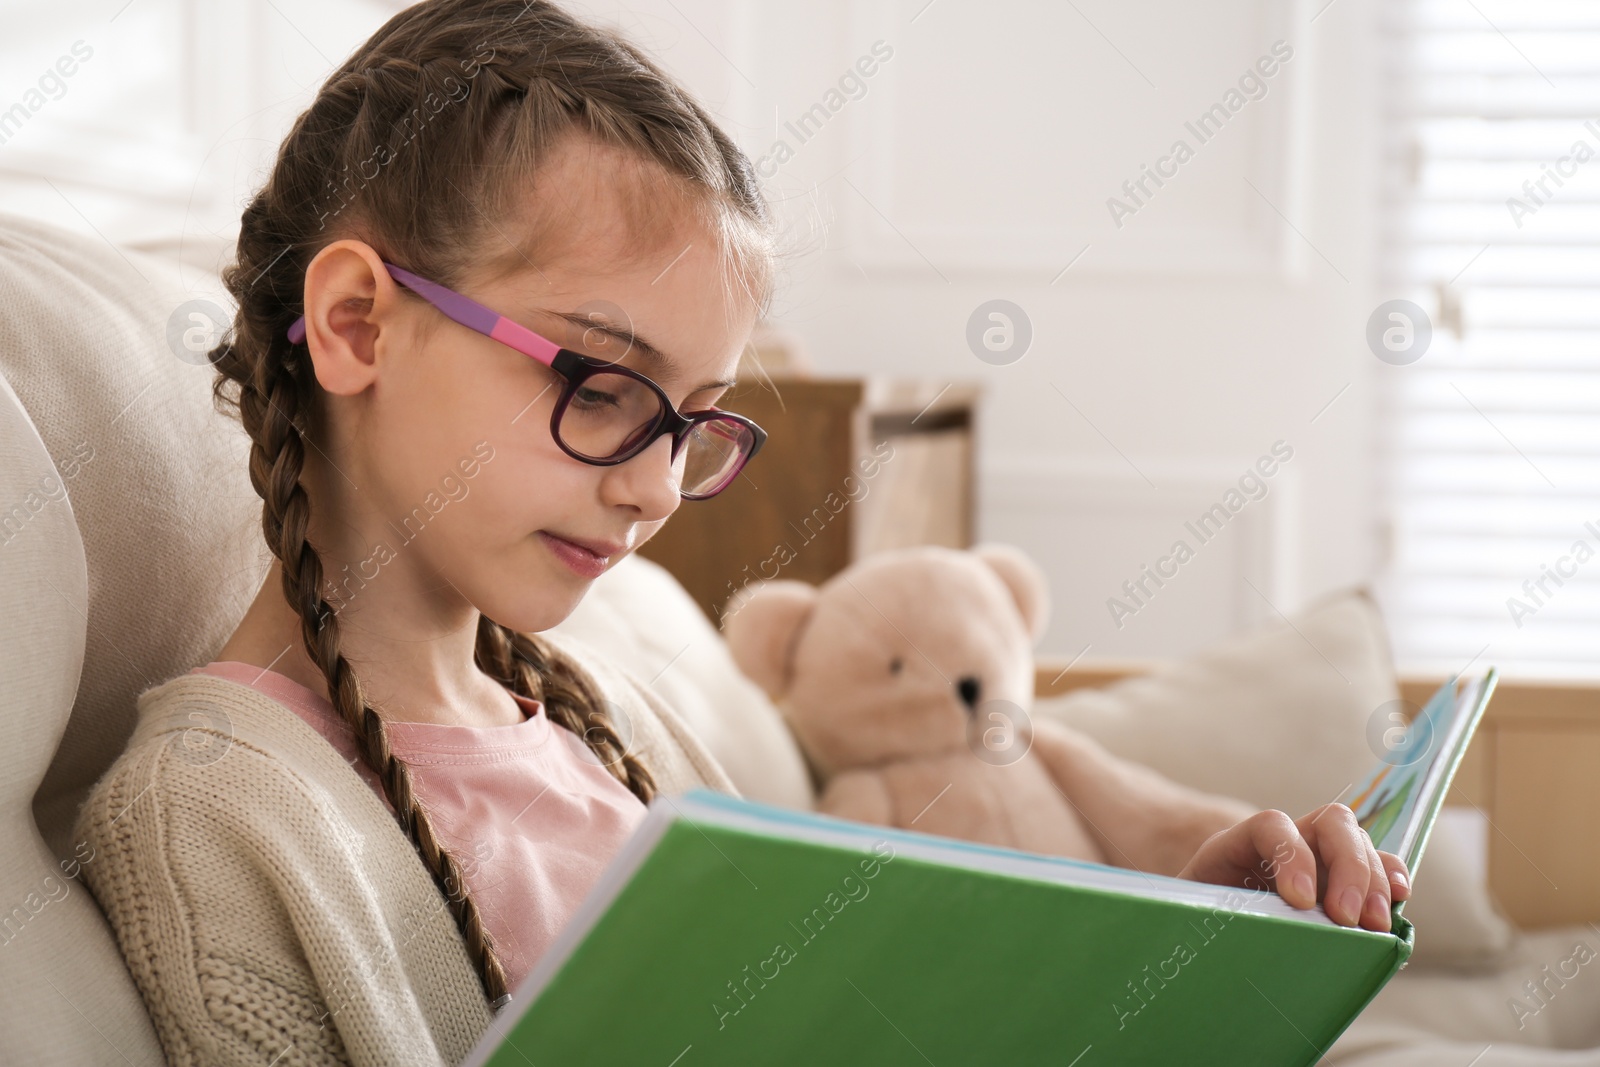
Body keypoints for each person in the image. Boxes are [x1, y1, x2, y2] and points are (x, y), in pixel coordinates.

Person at [74, 2, 1409, 1064]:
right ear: (359, 322)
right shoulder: (214, 816)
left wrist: (1188, 945)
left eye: (696, 421)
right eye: (600, 387)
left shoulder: (608, 728)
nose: (657, 490)